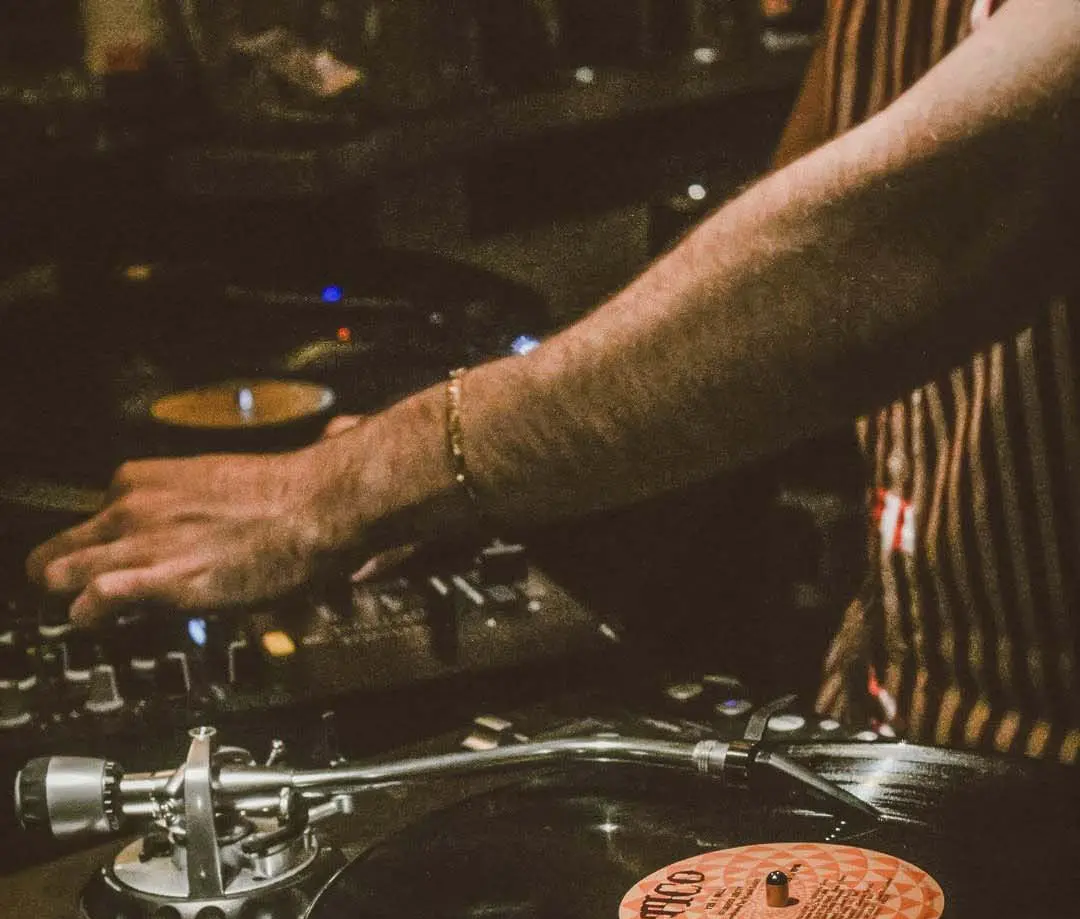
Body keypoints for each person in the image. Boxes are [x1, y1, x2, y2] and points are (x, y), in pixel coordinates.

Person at [28, 0, 1080, 761]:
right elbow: (750, 291)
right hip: (897, 740)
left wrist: (348, 483)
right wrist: (462, 465)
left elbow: (918, 232)